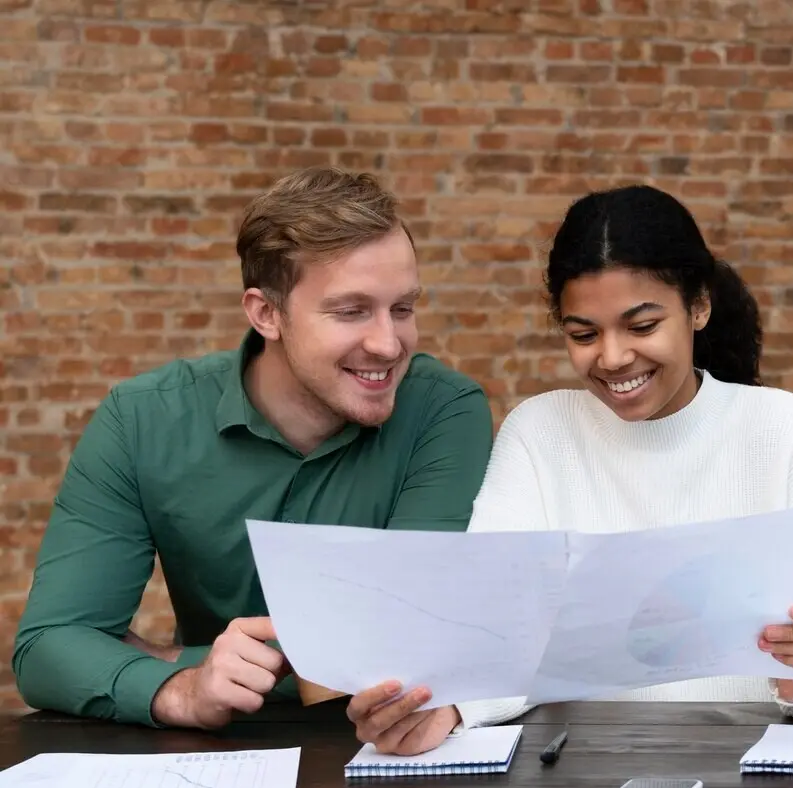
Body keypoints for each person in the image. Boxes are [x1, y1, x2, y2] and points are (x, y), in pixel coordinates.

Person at [353, 184, 793, 739]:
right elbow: (492, 631)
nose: (613, 357)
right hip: (582, 770)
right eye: (583, 334)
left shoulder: (782, 429)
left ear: (699, 306)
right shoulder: (541, 434)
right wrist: (447, 708)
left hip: (753, 767)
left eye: (643, 326)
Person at [11, 166, 494, 751]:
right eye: (351, 311)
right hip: (207, 759)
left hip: (389, 755)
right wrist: (183, 689)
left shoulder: (444, 411)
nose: (389, 344)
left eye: (402, 308)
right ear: (266, 313)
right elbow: (48, 648)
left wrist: (169, 657)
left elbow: (410, 640)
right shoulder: (141, 419)